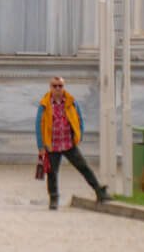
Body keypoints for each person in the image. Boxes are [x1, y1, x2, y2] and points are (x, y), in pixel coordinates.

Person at [35, 75, 111, 209]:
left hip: (68, 143)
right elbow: (38, 124)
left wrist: (79, 136)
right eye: (55, 86)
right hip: (52, 144)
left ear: (64, 87)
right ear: (50, 87)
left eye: (60, 86)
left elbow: (79, 118)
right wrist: (41, 145)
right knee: (52, 173)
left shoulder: (71, 101)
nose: (58, 88)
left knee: (84, 167)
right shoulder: (44, 104)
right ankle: (54, 199)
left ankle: (99, 191)